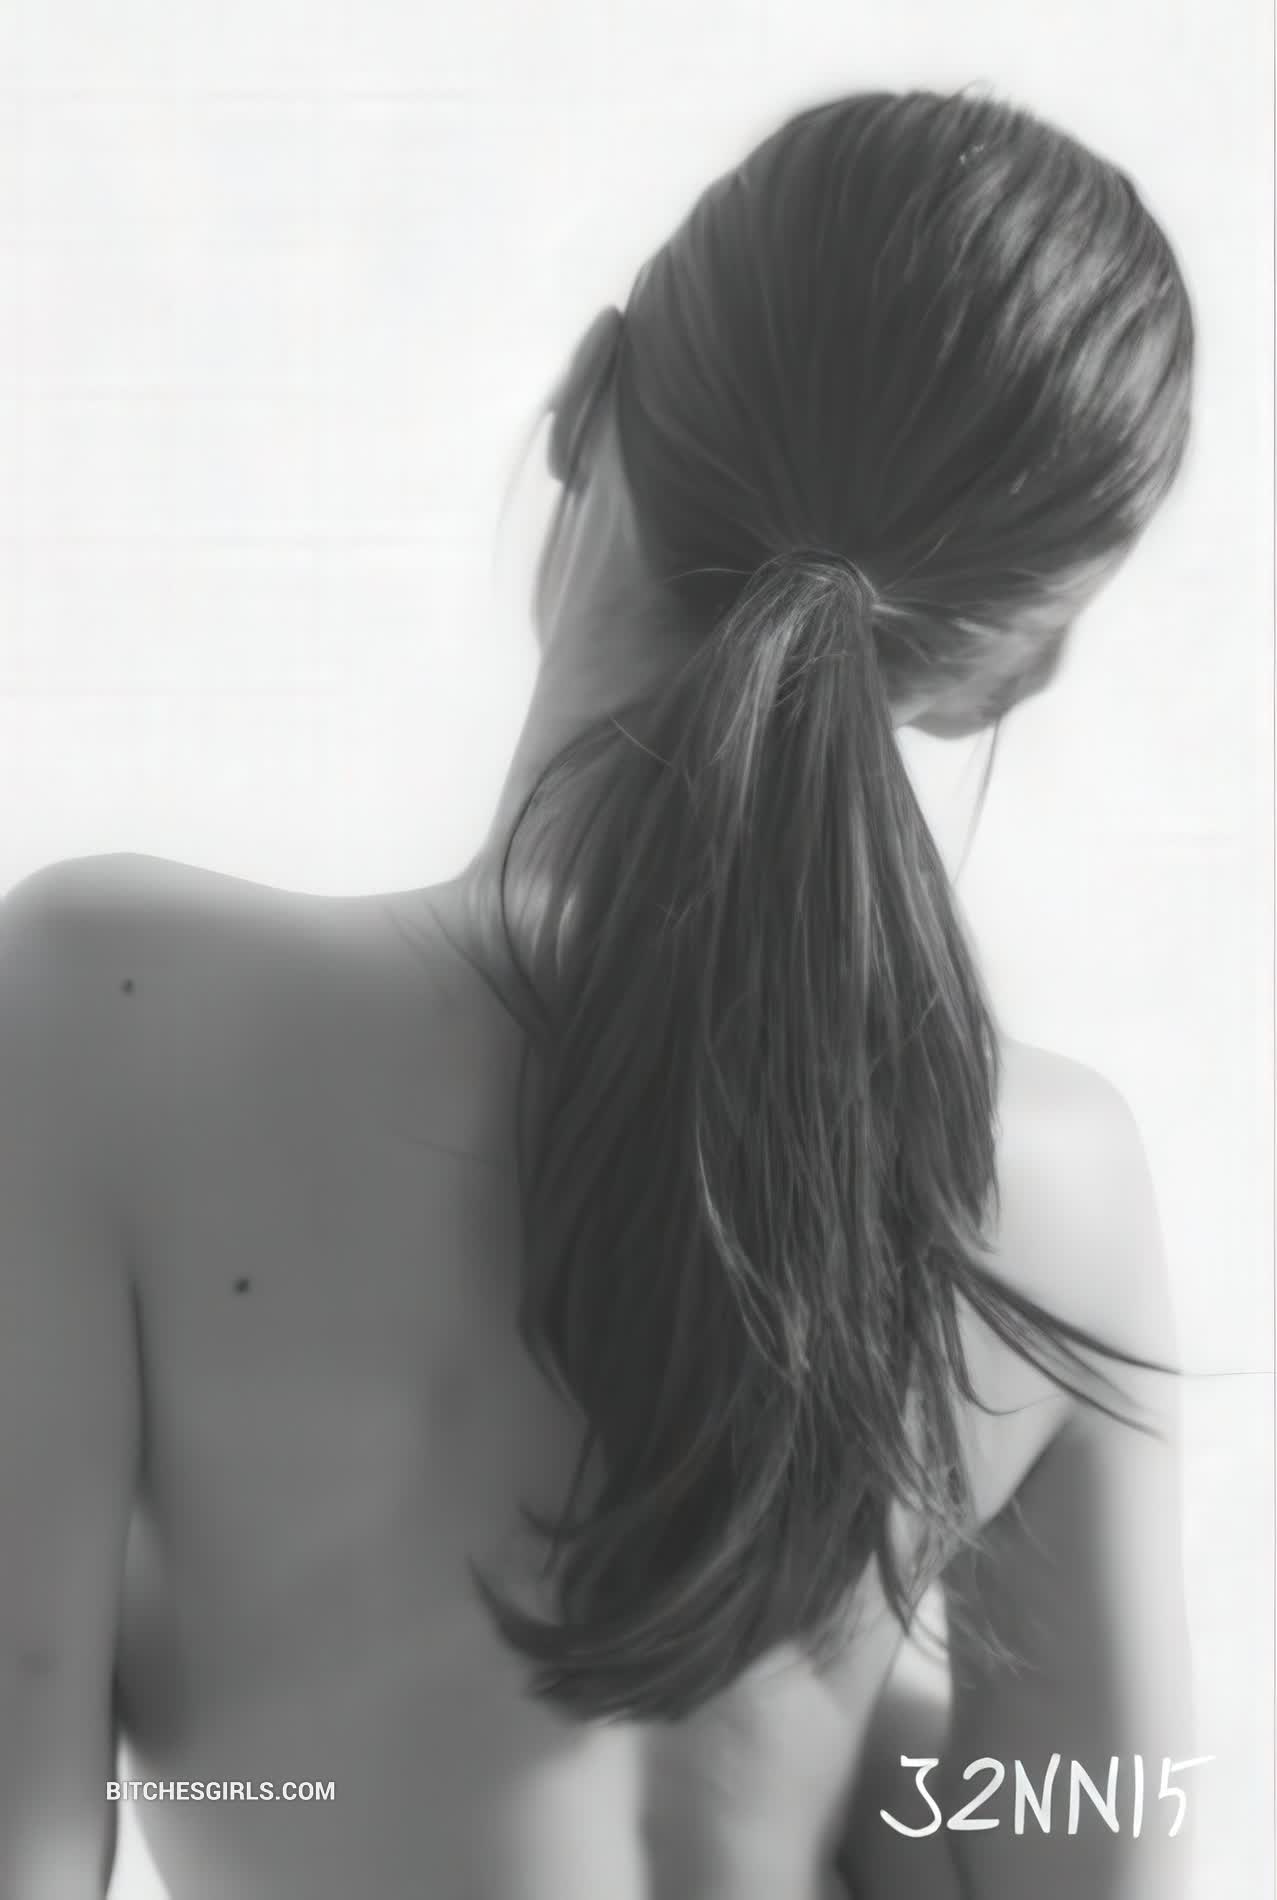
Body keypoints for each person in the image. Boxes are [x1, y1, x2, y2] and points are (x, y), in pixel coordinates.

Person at [0, 86, 1197, 1900]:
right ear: (1001, 671)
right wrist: (851, 1753)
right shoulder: (1052, 1180)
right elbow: (1090, 1859)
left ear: (582, 400)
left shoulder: (115, 1010)